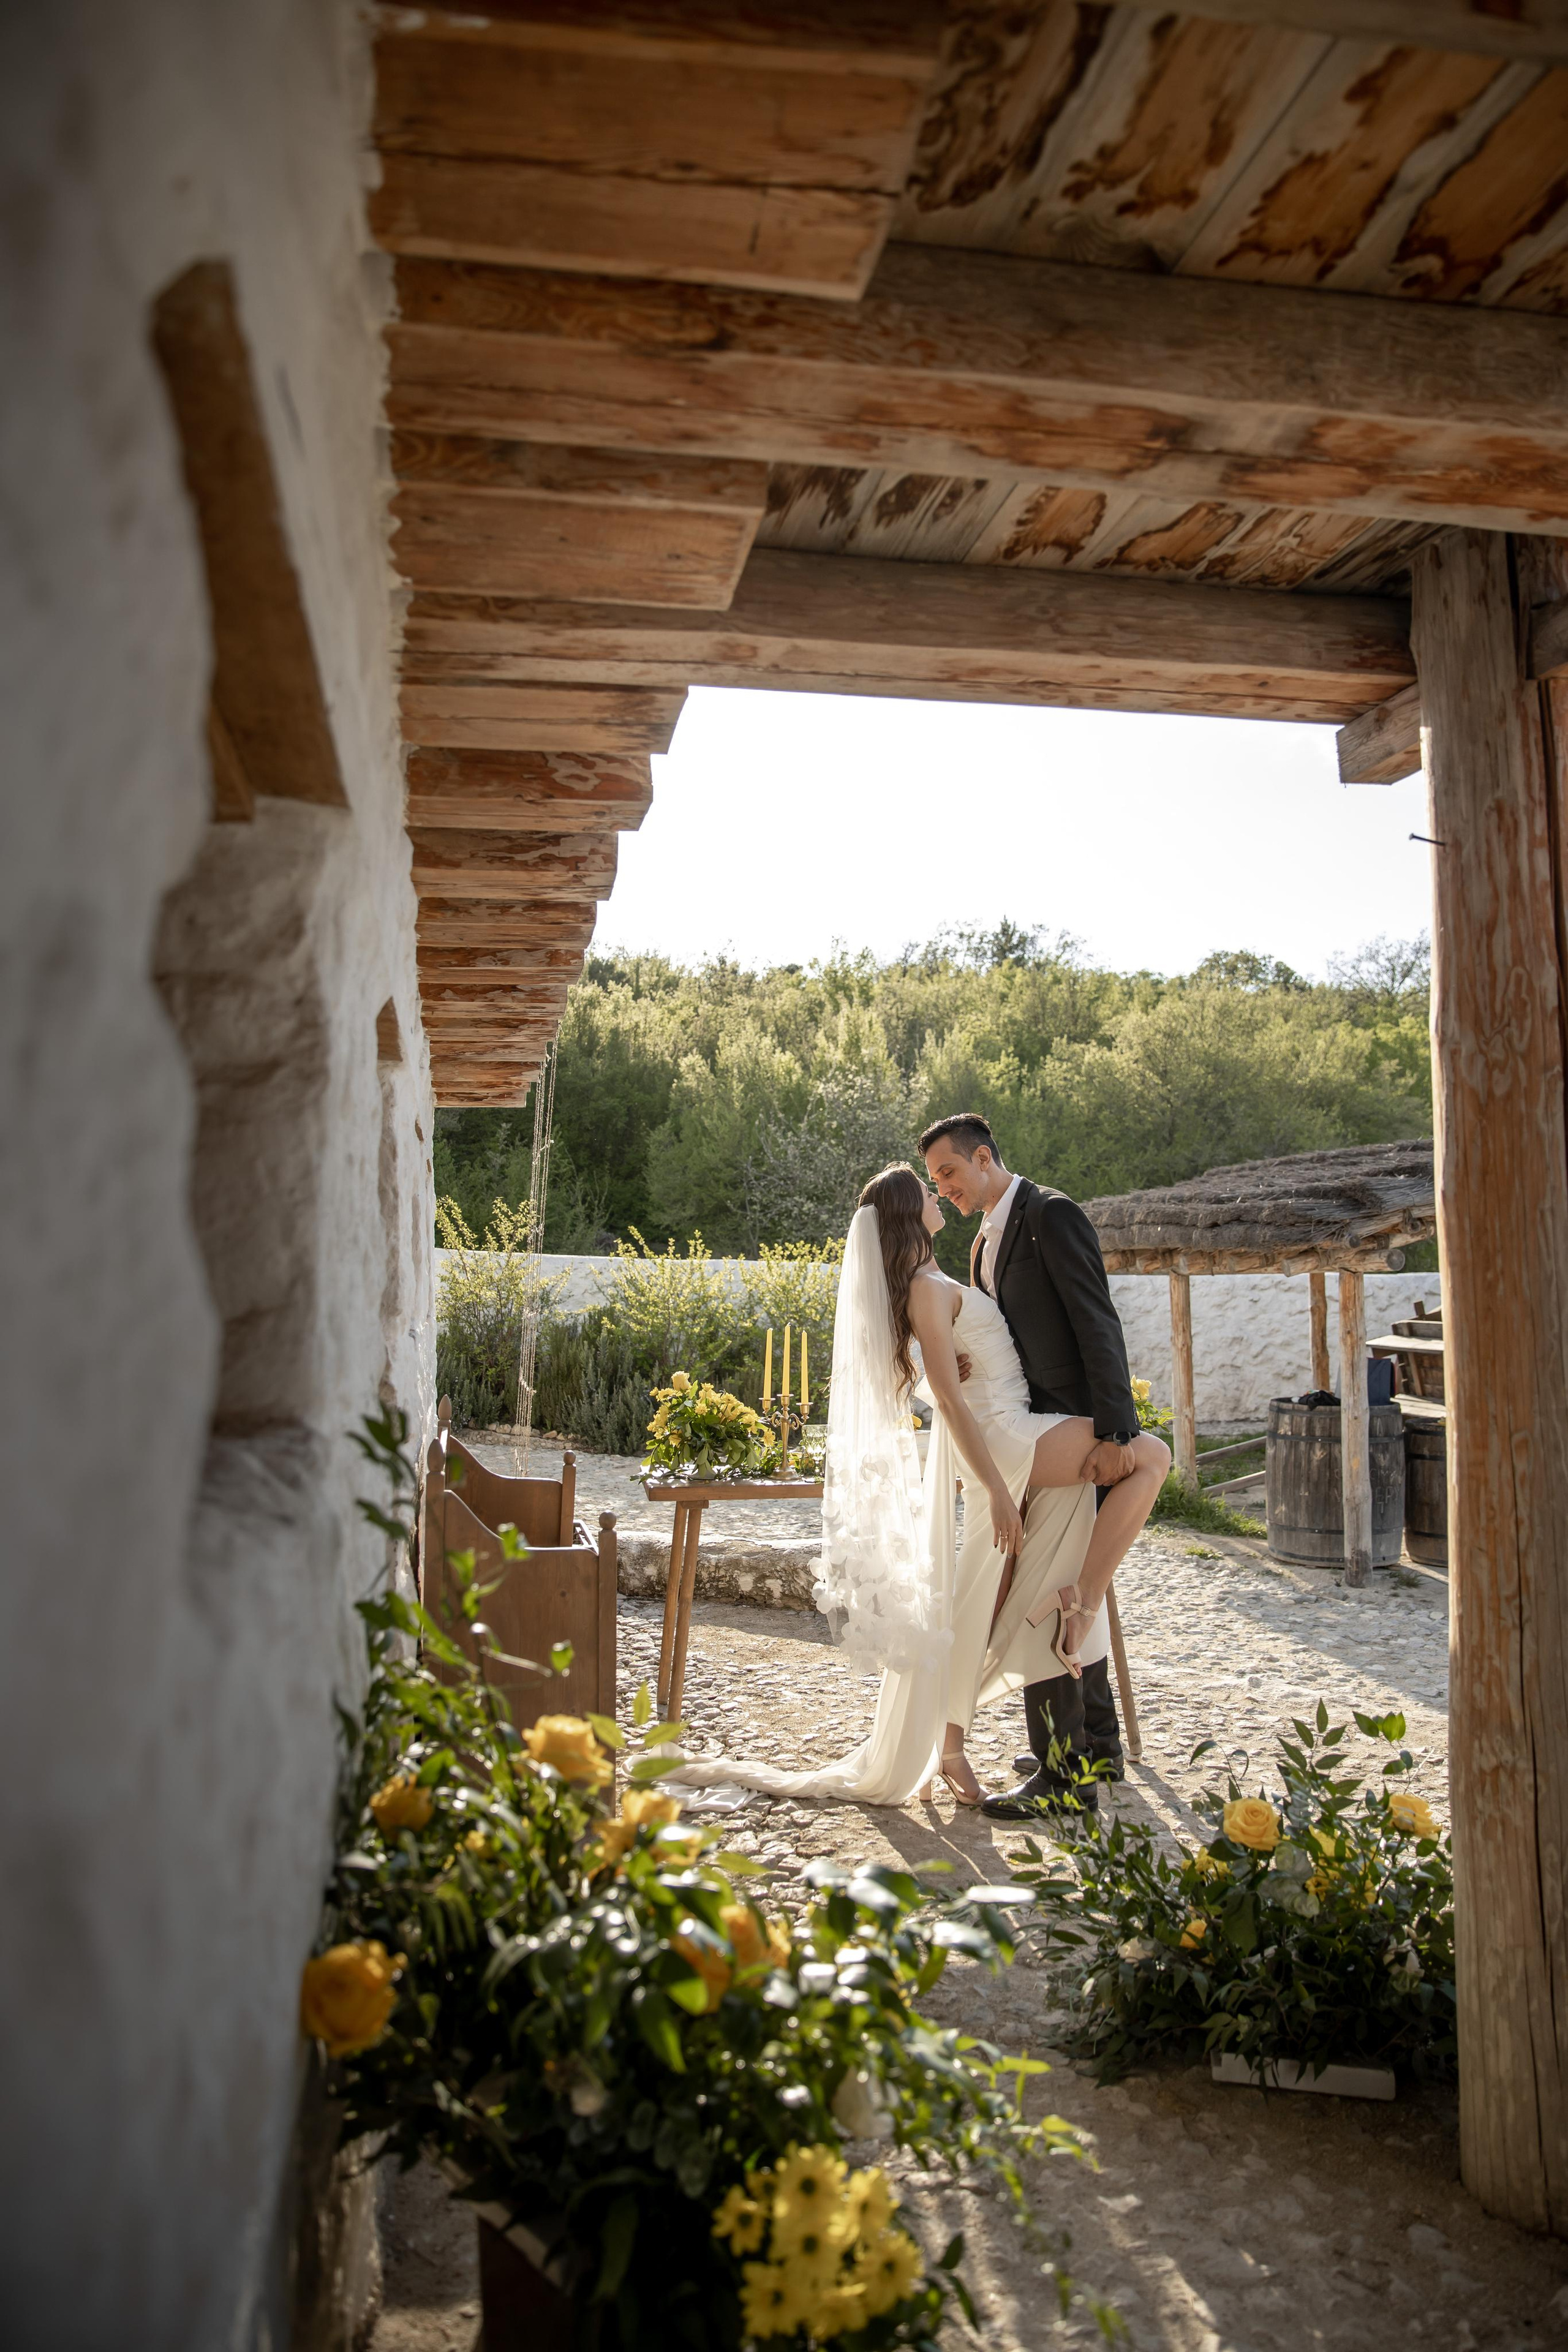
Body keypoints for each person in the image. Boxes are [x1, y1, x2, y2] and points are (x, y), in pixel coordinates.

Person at [663, 1164, 1108, 1812]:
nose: (936, 1196)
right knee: (979, 1598)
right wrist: (993, 1482)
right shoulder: (927, 1285)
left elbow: (936, 1382)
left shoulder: (927, 1282)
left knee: (980, 1597)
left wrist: (942, 1368)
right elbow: (947, 1401)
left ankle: (968, 1740)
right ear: (907, 1214)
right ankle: (965, 1738)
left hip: (1002, 1439)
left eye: (939, 1184)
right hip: (999, 1449)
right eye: (925, 1191)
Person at [919, 1113, 1169, 1821]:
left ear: (985, 1158)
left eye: (949, 1172)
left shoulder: (1050, 1214)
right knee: (1054, 1584)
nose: (946, 1188)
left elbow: (1097, 1318)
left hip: (1070, 1435)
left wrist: (1118, 1428)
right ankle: (1094, 1748)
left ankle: (1066, 1776)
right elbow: (1005, 1343)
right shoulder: (979, 1248)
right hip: (1034, 1435)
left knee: (1052, 1586)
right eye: (937, 1179)